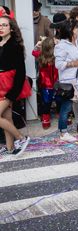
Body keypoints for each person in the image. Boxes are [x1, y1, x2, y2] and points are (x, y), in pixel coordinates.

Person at [54, 19, 78, 142]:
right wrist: (74, 63)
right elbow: (58, 64)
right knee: (66, 107)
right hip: (68, 81)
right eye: (76, 28)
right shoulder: (61, 45)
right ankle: (63, 132)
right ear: (70, 30)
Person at [0, 16, 31, 156]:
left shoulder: (15, 46)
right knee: (6, 118)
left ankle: (21, 138)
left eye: (4, 25)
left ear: (11, 28)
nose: (1, 28)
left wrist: (13, 93)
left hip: (8, 85)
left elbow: (21, 72)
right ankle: (10, 147)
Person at [32, 37, 58, 129]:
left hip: (45, 84)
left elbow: (33, 52)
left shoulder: (40, 55)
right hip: (56, 83)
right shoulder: (56, 56)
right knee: (59, 100)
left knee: (46, 102)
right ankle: (62, 117)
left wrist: (37, 45)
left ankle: (45, 120)